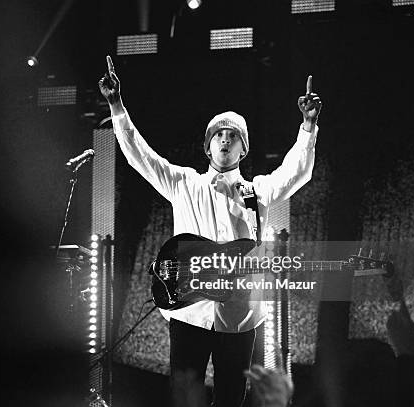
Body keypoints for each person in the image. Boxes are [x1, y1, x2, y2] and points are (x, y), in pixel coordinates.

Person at [98, 55, 322, 407]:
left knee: (231, 398)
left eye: (233, 136)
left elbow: (295, 173)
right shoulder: (185, 183)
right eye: (219, 134)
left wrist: (307, 127)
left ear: (243, 149)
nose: (225, 140)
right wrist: (117, 105)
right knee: (185, 397)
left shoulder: (257, 191)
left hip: (240, 315)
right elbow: (140, 157)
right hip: (190, 310)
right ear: (208, 144)